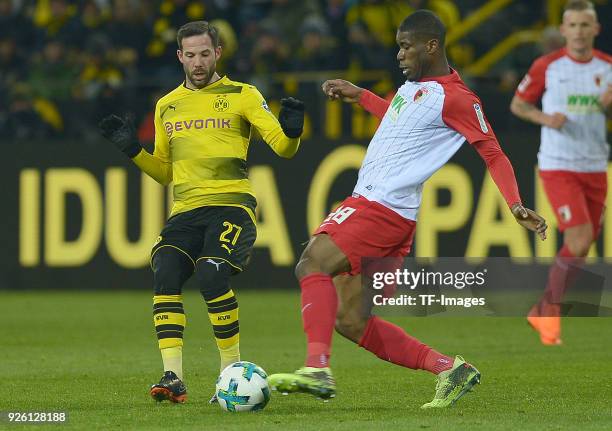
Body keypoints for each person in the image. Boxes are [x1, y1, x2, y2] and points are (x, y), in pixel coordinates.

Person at [268, 10, 547, 409]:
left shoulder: (457, 97)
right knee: (350, 320)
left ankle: (317, 369)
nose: (399, 55)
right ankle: (450, 368)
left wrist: (516, 203)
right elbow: (398, 124)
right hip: (389, 212)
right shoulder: (412, 87)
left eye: (405, 46)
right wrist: (359, 94)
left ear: (431, 46)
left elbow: (493, 151)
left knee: (312, 263)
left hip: (381, 205)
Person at [98, 20, 305, 403]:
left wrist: (292, 132)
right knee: (165, 269)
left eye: (204, 54)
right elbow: (164, 172)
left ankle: (230, 372)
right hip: (186, 211)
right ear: (179, 56)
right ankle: (173, 377)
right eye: (190, 55)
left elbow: (283, 148)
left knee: (211, 275)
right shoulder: (167, 105)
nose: (197, 62)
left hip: (231, 205)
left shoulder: (243, 95)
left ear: (218, 53)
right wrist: (133, 150)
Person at [510, 0, 611, 345]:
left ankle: (543, 309)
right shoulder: (547, 66)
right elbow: (518, 104)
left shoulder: (608, 67)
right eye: (574, 26)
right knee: (580, 238)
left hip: (596, 165)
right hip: (558, 164)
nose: (580, 32)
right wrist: (546, 118)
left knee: (583, 244)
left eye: (586, 25)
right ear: (564, 30)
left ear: (595, 30)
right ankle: (546, 311)